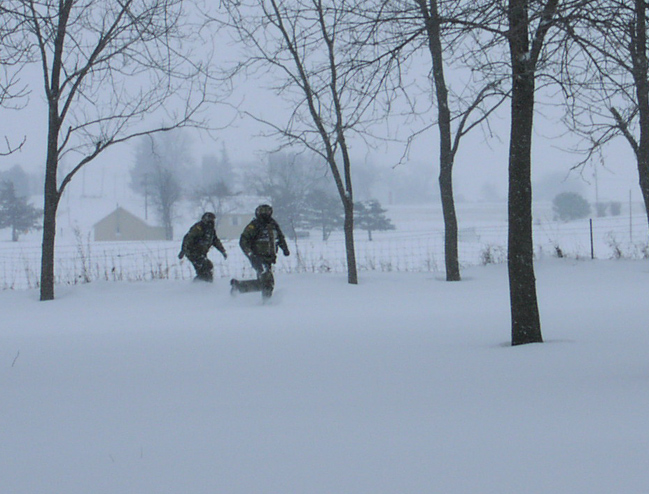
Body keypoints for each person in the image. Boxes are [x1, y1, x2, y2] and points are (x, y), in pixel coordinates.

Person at [231, 204, 289, 298]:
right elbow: (243, 240)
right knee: (267, 279)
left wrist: (285, 249)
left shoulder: (273, 224)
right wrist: (250, 254)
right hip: (257, 257)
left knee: (263, 282)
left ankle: (239, 287)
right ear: (258, 212)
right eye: (262, 211)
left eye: (267, 211)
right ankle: (266, 302)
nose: (265, 213)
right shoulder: (254, 225)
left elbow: (280, 237)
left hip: (269, 258)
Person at [178, 212, 227, 282]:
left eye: (213, 219)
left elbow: (215, 241)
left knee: (207, 268)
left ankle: (204, 285)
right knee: (204, 267)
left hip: (201, 253)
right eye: (210, 219)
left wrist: (223, 251)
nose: (212, 221)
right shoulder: (198, 228)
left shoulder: (211, 230)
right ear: (205, 219)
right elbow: (188, 238)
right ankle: (201, 285)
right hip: (192, 252)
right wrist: (183, 251)